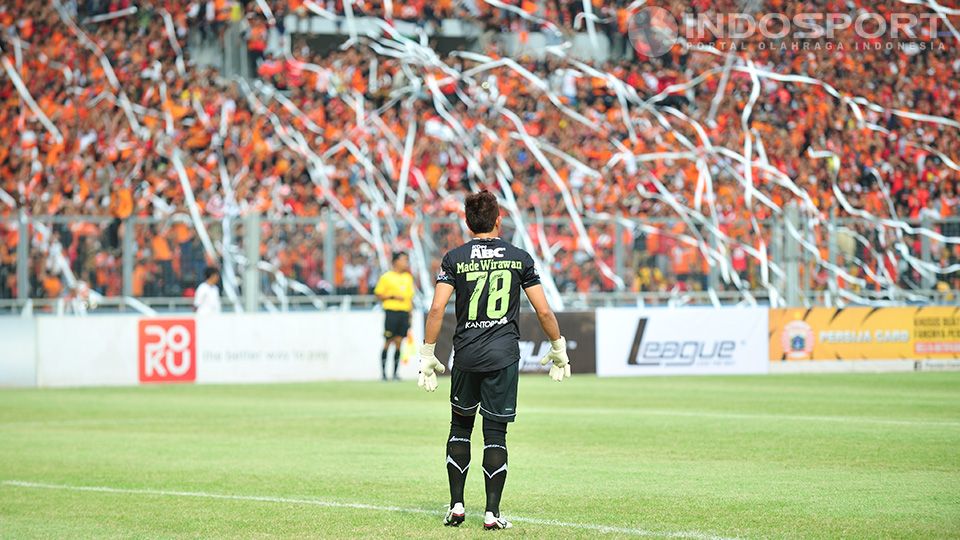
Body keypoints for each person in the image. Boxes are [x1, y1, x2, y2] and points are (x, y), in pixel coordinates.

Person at [417, 190, 571, 530]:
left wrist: (428, 354)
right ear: (498, 220)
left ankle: (457, 506)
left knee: (459, 428)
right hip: (503, 356)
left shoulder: (454, 258)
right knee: (495, 434)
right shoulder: (519, 258)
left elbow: (437, 308)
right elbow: (543, 309)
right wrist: (557, 346)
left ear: (467, 222)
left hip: (466, 355)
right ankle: (491, 513)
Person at [374, 252, 415, 381]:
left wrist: (410, 315)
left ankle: (396, 373)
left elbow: (410, 298)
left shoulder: (408, 277)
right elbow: (378, 294)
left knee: (399, 342)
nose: (406, 263)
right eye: (403, 260)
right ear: (395, 261)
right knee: (388, 341)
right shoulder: (386, 277)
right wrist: (392, 296)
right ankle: (384, 374)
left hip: (404, 313)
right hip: (391, 312)